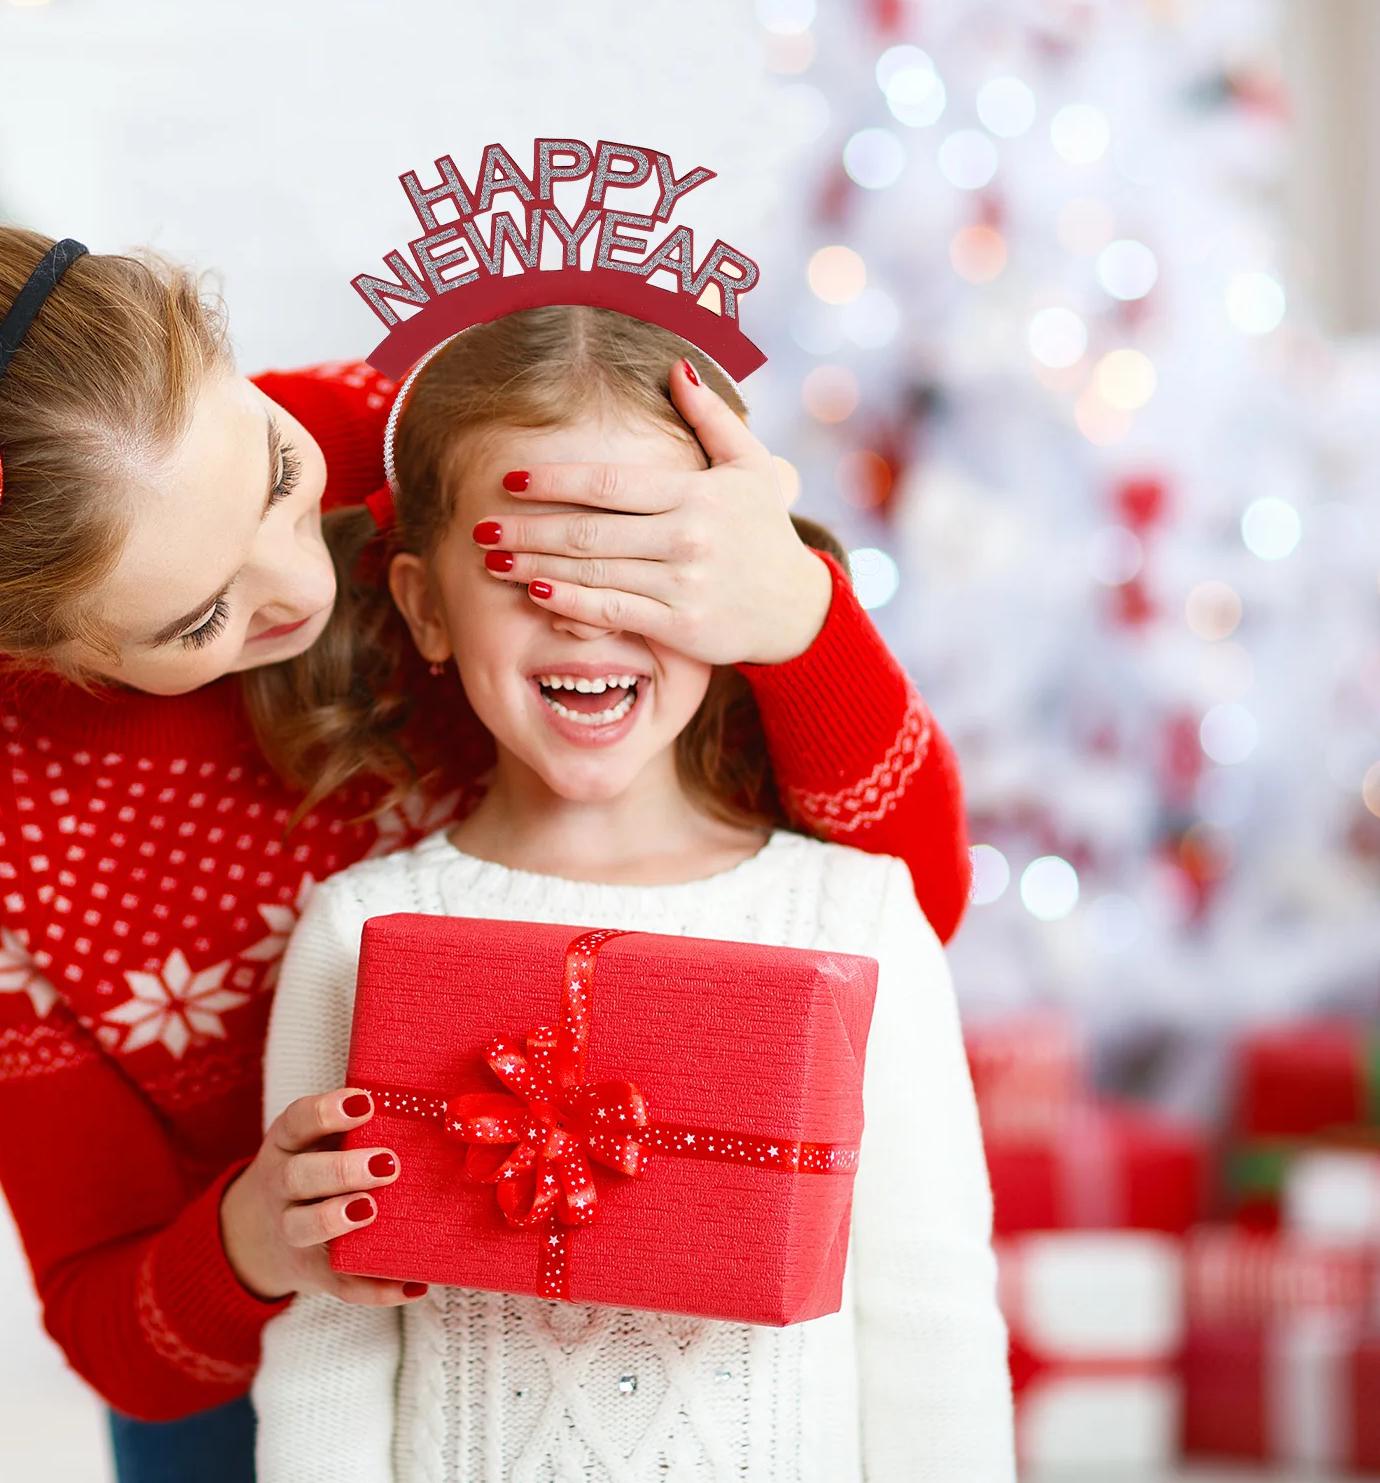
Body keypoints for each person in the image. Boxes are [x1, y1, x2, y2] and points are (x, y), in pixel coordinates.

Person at [0, 224, 972, 1483]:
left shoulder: (439, 448)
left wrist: (799, 622)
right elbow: (113, 1332)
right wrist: (252, 1242)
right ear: (44, 658)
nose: (299, 585)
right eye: (199, 619)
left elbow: (900, 916)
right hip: (282, 1363)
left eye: (277, 479)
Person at [258, 306, 1013, 1482]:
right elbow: (330, 1346)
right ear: (424, 607)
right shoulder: (359, 935)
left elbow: (933, 1324)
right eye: (528, 566)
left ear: (732, 587)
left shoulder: (857, 918)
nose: (584, 610)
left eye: (641, 563)